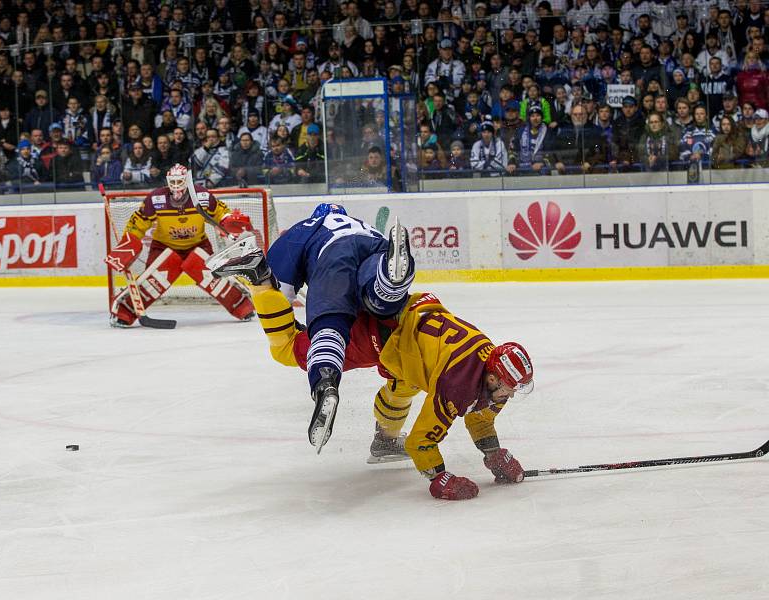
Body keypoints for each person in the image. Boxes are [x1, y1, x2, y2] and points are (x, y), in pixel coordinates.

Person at [211, 269, 533, 500]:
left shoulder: (491, 371)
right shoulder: (460, 382)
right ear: (492, 377)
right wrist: (440, 477)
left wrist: (493, 453)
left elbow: (480, 415)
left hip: (405, 336)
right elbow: (421, 442)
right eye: (509, 386)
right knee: (289, 350)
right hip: (380, 335)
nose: (511, 392)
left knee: (404, 385)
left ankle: (384, 439)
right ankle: (259, 283)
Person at [211, 203, 414, 451]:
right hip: (380, 273)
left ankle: (325, 381)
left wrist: (266, 284)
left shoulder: (306, 228)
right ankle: (386, 287)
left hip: (334, 259)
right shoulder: (366, 227)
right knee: (401, 365)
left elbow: (282, 293)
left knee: (322, 330)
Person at [104, 164, 256, 327]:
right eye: (173, 181)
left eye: (180, 181)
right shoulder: (156, 199)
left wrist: (228, 221)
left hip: (197, 244)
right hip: (163, 246)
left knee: (214, 277)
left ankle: (243, 305)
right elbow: (138, 223)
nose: (176, 186)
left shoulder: (202, 196)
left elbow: (220, 212)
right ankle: (123, 313)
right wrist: (129, 243)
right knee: (151, 282)